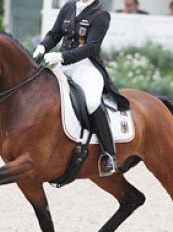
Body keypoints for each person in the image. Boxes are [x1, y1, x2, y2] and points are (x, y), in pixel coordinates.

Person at [33, 0, 130, 176]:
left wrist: (62, 56)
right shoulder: (69, 7)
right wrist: (42, 46)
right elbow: (55, 34)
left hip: (85, 65)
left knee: (92, 102)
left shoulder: (101, 15)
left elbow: (91, 47)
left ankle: (109, 154)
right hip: (61, 62)